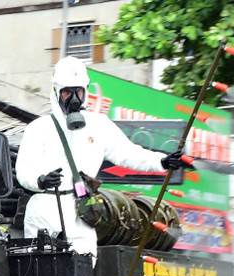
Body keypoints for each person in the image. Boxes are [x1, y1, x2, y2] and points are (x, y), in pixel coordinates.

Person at [15, 56, 194, 260]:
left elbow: (128, 153)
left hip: (82, 211)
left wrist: (161, 161)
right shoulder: (39, 128)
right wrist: (40, 180)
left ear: (86, 91)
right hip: (44, 211)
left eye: (78, 92)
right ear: (56, 92)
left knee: (82, 274)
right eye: (67, 92)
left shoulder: (99, 125)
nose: (74, 99)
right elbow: (24, 170)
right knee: (43, 274)